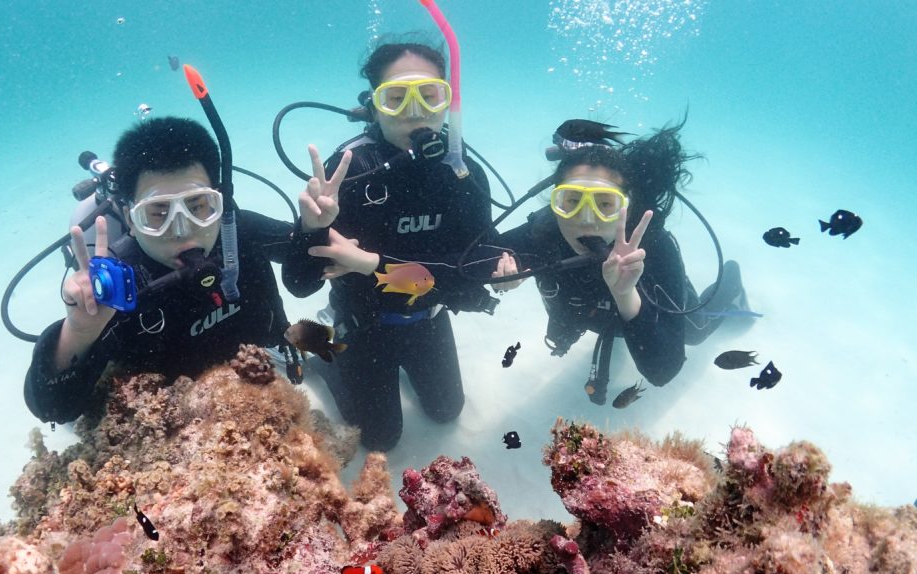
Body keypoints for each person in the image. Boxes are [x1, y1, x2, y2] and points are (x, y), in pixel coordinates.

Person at [282, 41, 517, 451]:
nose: (415, 109)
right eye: (395, 97)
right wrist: (309, 230)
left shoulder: (461, 171)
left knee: (447, 411)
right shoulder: (348, 172)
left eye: (429, 94)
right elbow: (299, 284)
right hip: (364, 323)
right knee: (379, 439)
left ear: (449, 101)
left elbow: (478, 259)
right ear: (374, 106)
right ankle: (322, 349)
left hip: (428, 316)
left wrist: (503, 271)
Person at [24, 117, 294, 423]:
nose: (182, 231)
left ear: (220, 201)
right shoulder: (120, 281)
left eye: (197, 206)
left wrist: (315, 227)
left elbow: (305, 268)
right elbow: (53, 409)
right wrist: (79, 333)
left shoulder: (238, 231)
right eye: (158, 213)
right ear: (130, 219)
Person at [496, 118, 749, 404]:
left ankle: (731, 282)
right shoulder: (544, 231)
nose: (586, 218)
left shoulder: (652, 248)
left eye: (605, 204)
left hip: (643, 310)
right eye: (571, 200)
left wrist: (626, 294)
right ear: (555, 203)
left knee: (696, 330)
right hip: (585, 314)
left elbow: (663, 371)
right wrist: (501, 273)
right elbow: (476, 258)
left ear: (626, 207)